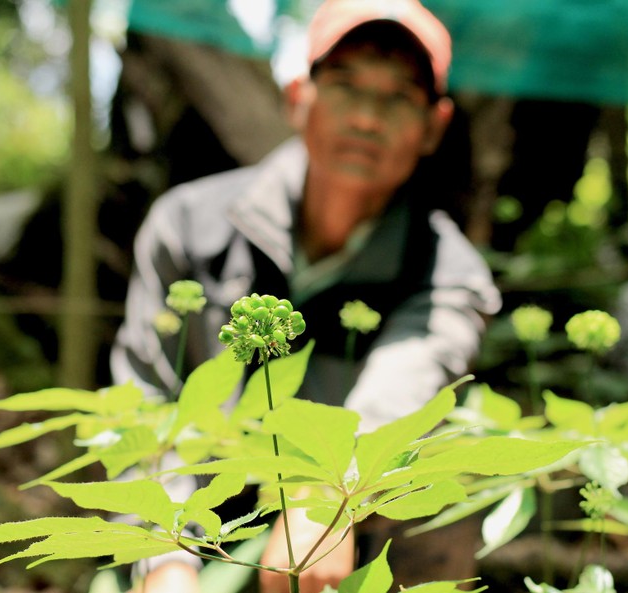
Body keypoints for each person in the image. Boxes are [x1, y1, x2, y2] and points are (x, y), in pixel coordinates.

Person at [110, 0, 502, 591]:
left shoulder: (447, 271)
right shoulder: (188, 226)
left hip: (352, 536)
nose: (369, 119)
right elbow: (143, 402)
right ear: (299, 97)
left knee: (456, 458)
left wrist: (328, 496)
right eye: (345, 86)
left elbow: (403, 389)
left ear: (434, 127)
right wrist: (164, 557)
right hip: (190, 525)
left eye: (399, 97)